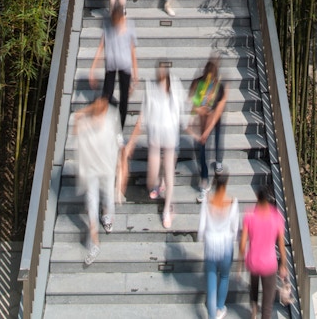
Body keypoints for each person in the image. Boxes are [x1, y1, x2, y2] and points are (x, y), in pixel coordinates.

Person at [125, 65, 185, 228]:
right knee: (154, 170)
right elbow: (144, 113)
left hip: (171, 136)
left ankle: (167, 209)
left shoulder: (176, 87)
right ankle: (159, 184)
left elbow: (181, 110)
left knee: (169, 172)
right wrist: (133, 139)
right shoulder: (151, 89)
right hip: (156, 136)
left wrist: (184, 124)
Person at [75, 95, 120, 266]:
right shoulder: (87, 121)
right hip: (92, 168)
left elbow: (119, 141)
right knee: (92, 202)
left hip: (107, 166)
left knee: (108, 197)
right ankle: (94, 243)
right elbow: (77, 125)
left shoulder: (112, 119)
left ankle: (108, 216)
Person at [240, 186, 287, 319]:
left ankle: (254, 310)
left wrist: (242, 258)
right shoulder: (277, 216)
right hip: (269, 263)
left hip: (253, 260)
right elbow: (281, 245)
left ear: (257, 197)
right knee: (267, 304)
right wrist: (283, 264)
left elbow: (243, 243)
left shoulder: (250, 215)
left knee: (254, 286)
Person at [198, 170, 240, 319]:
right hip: (226, 245)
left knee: (211, 280)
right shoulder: (232, 202)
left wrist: (203, 239)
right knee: (224, 277)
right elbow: (235, 228)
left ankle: (211, 316)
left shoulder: (207, 201)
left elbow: (201, 227)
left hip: (211, 245)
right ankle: (220, 308)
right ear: (226, 183)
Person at [89, 3, 138, 130]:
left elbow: (132, 50)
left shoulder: (129, 26)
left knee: (124, 97)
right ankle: (105, 122)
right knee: (107, 94)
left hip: (124, 64)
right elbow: (101, 46)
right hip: (111, 64)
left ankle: (120, 127)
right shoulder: (108, 26)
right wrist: (93, 69)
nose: (115, 23)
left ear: (122, 18)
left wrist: (135, 72)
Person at [189, 56, 227, 202]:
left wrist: (205, 131)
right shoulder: (199, 84)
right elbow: (193, 104)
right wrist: (198, 112)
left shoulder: (218, 88)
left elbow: (216, 113)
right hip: (202, 121)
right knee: (203, 151)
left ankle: (217, 162)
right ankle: (205, 182)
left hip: (212, 120)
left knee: (215, 138)